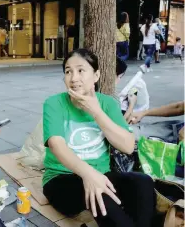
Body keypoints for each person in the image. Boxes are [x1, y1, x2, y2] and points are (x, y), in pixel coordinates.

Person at [42, 49, 155, 227]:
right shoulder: (54, 103)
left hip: (102, 175)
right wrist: (89, 174)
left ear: (96, 75)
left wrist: (96, 112)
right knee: (100, 193)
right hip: (62, 179)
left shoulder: (107, 103)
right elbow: (57, 145)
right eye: (68, 71)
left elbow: (126, 145)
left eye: (80, 70)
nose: (73, 78)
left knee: (142, 182)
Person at [115, 58, 150, 123]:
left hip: (129, 112)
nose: (119, 79)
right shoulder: (133, 82)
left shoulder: (135, 84)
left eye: (120, 77)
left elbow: (132, 101)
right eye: (119, 76)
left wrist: (122, 123)